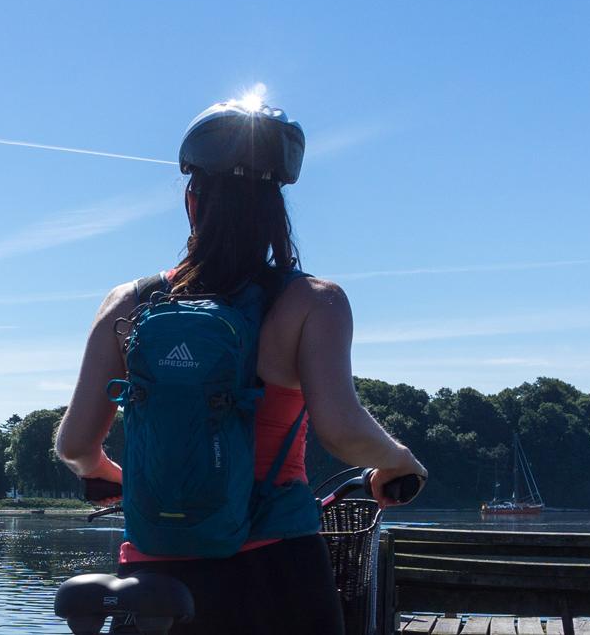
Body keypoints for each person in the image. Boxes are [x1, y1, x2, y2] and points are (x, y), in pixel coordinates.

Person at [54, 98, 428, 634]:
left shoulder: (129, 303)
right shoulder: (312, 302)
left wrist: (107, 475)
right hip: (276, 569)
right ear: (277, 206)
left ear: (192, 200)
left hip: (158, 576)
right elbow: (343, 431)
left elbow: (75, 445)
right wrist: (397, 459)